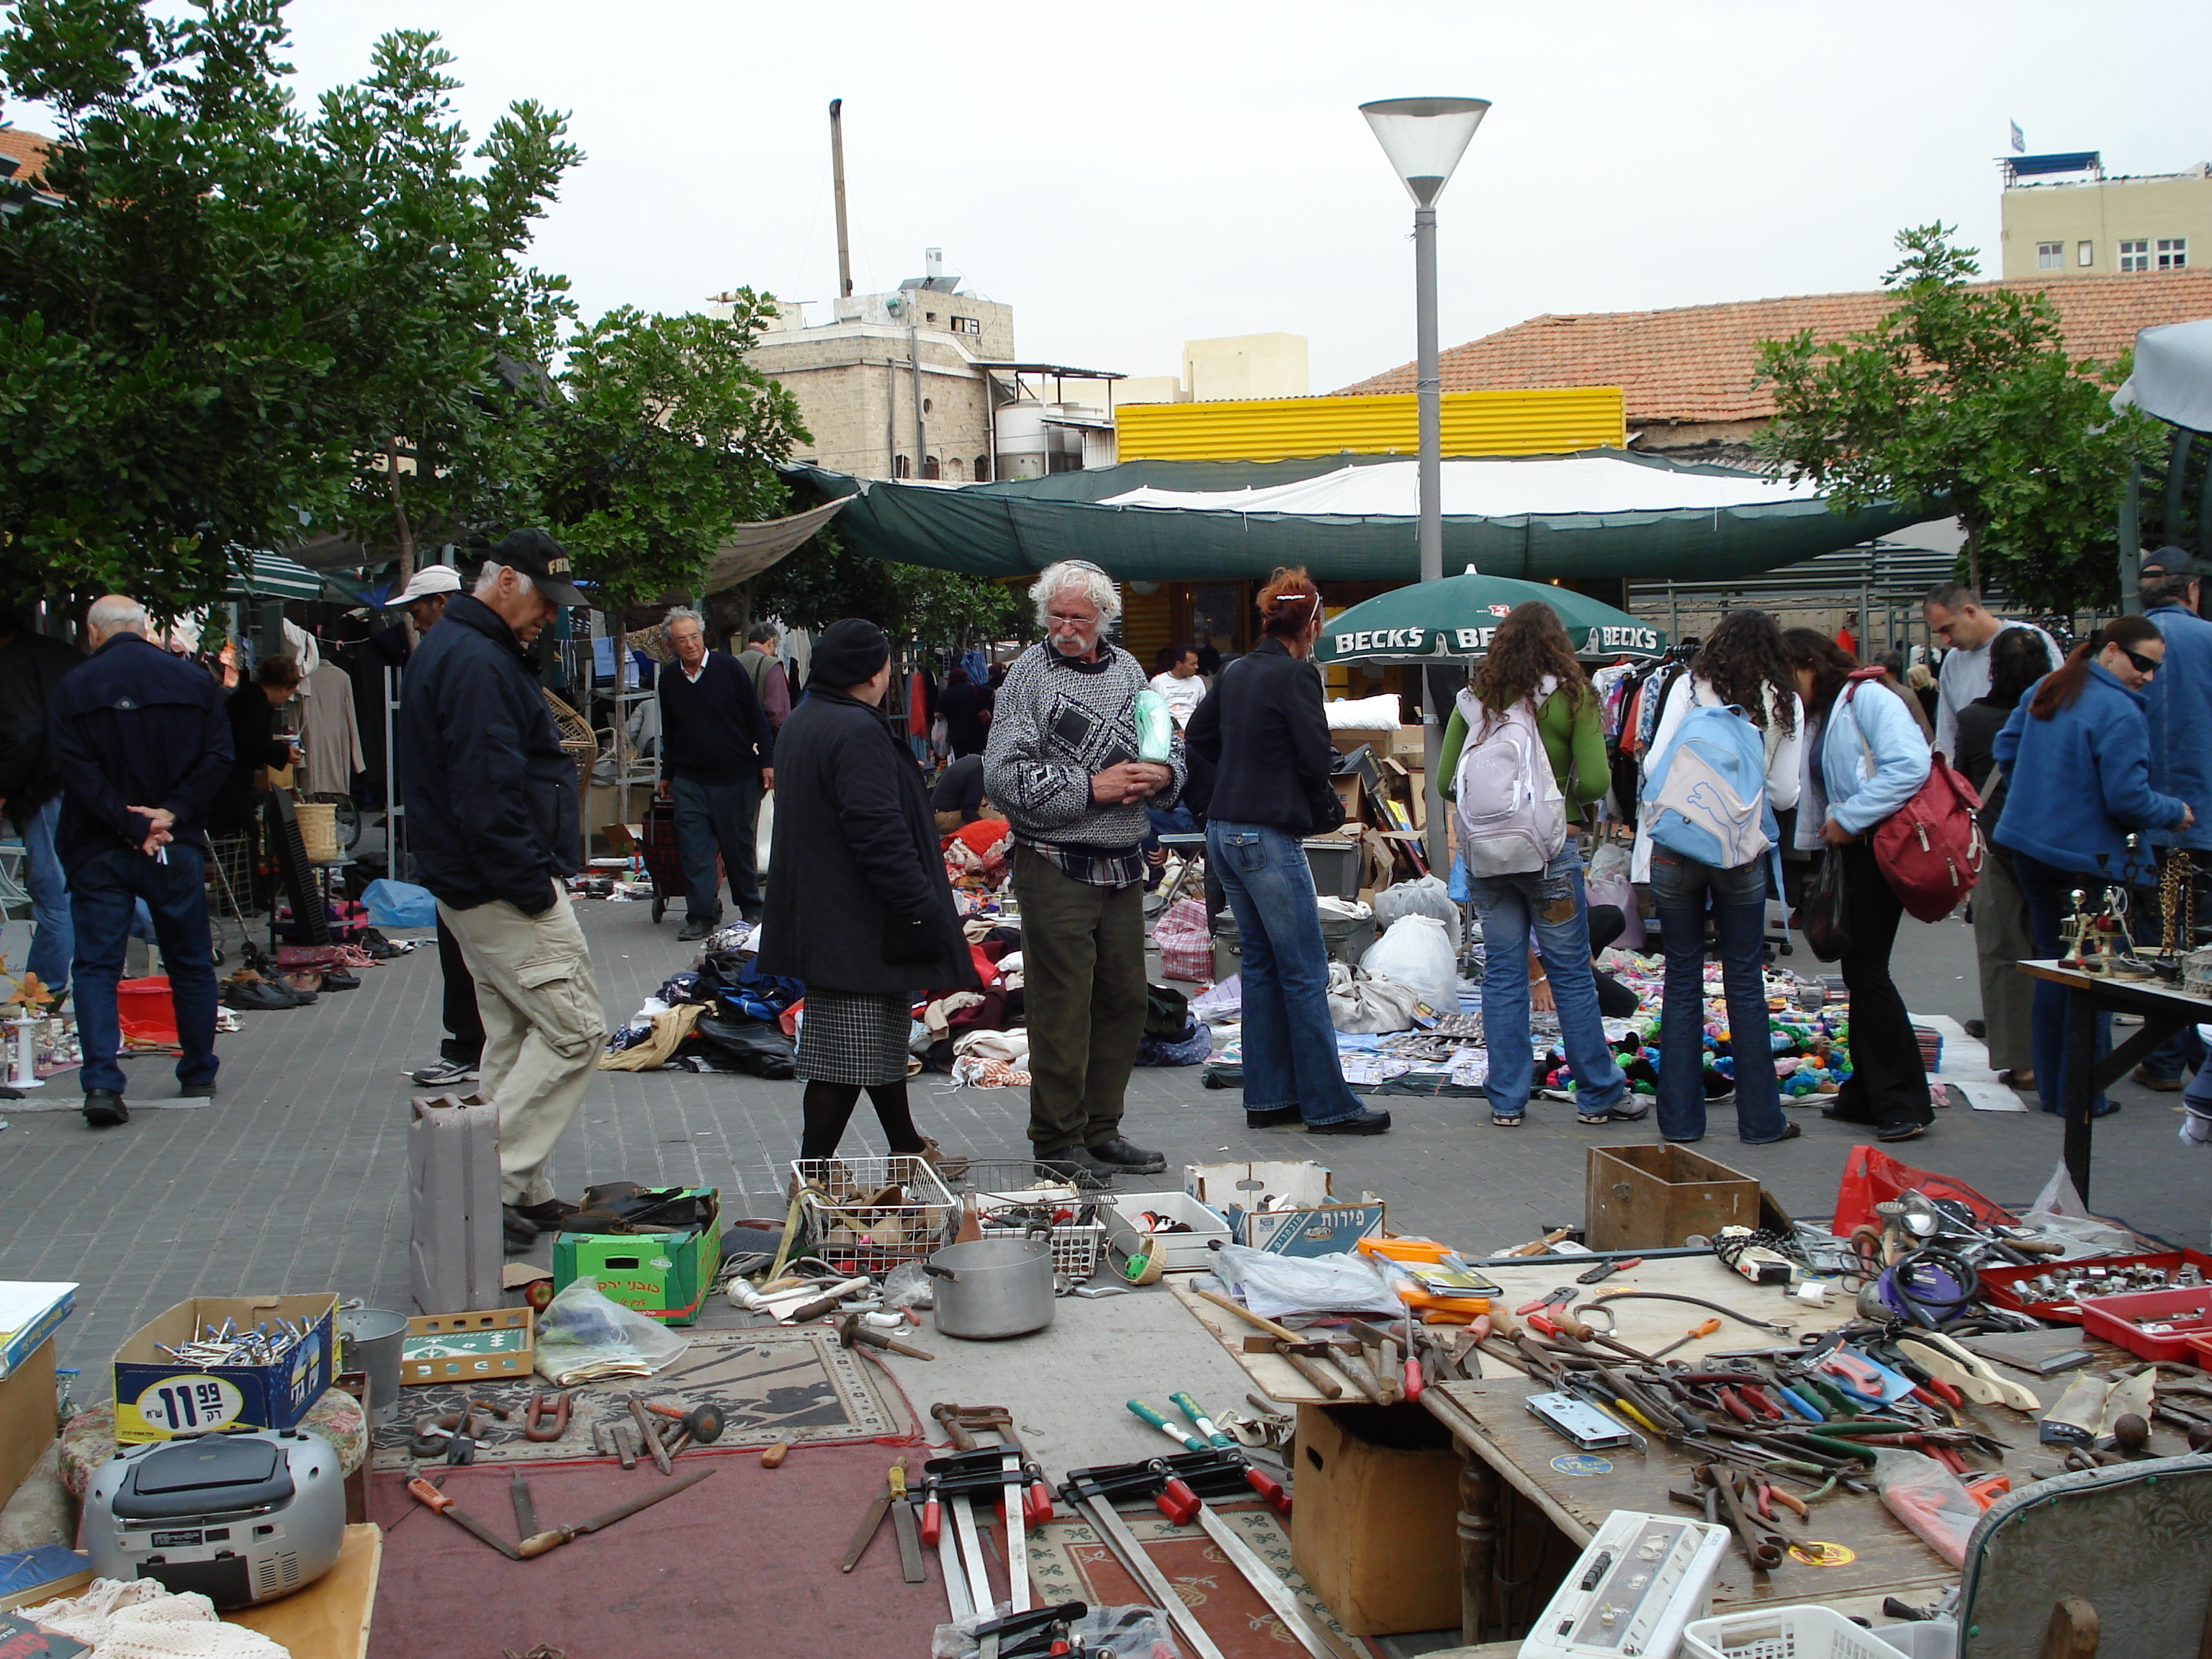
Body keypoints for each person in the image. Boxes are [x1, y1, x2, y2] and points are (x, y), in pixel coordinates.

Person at [396, 529, 603, 1248]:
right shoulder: (477, 661)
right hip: (500, 884)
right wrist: (534, 887)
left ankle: (522, 1184)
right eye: (544, 601)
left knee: (516, 1030)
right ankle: (483, 1182)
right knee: (576, 1030)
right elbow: (485, 794)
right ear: (506, 581)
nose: (549, 616)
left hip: (475, 881)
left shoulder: (461, 650)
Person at [984, 558, 1184, 1176]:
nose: (1065, 627)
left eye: (1078, 617)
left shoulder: (1127, 669)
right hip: (1054, 860)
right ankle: (1056, 1139)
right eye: (1056, 615)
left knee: (1124, 999)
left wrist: (1165, 773)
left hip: (1122, 862)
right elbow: (1002, 776)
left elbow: (1168, 740)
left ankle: (1102, 1129)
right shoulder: (1027, 676)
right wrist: (1091, 786)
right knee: (1061, 1002)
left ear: (1104, 618)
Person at [757, 619, 976, 1164]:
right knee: (844, 1057)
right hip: (855, 920)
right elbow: (877, 833)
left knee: (874, 1040)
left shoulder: (809, 719)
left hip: (829, 912)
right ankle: (813, 1174)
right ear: (874, 672)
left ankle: (905, 1146)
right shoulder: (854, 730)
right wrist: (921, 908)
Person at [1187, 568, 1390, 1136]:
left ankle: (1270, 1097)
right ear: (1313, 624)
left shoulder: (1235, 671)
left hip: (1224, 830)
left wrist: (1244, 760)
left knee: (1262, 967)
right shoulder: (1298, 676)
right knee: (1302, 970)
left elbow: (1199, 736)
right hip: (1265, 834)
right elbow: (1314, 754)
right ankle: (1330, 1104)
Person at [1439, 601, 1633, 1129]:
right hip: (1551, 851)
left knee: (1502, 975)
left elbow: (1442, 783)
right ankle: (1597, 1094)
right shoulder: (1573, 697)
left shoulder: (1475, 700)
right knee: (1570, 974)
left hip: (1487, 857)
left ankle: (1506, 1099)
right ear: (1557, 644)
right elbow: (1595, 782)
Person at [1991, 616, 2192, 1120]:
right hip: (2088, 859)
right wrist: (2174, 812)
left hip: (2033, 846)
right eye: (2141, 663)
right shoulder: (2118, 711)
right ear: (2111, 651)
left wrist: (2039, 796)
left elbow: (2006, 750)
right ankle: (2082, 1091)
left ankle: (2061, 1090)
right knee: (2092, 973)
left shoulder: (2051, 686)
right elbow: (2128, 799)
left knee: (2055, 964)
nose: (2147, 676)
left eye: (2154, 669)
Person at [48, 595, 230, 1128]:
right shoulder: (192, 682)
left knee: (98, 967)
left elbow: (76, 772)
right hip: (173, 843)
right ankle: (197, 1067)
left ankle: (103, 1082)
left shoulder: (74, 687)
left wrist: (128, 824)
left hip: (98, 845)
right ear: (145, 628)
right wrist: (168, 814)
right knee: (190, 959)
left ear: (93, 634)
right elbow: (219, 755)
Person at [1633, 608, 1805, 1146]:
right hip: (1741, 851)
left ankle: (1681, 1123)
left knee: (1682, 979)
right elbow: (1784, 795)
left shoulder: (1688, 687)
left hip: (1677, 847)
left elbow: (1654, 764)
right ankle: (1761, 1122)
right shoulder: (1784, 701)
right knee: (1745, 981)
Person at [1782, 628, 1936, 1141]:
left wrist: (1851, 817)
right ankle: (1870, 1093)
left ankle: (1902, 1101)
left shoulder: (1868, 697)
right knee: (1860, 971)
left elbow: (1910, 766)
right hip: (1855, 848)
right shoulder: (1831, 709)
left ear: (1808, 664)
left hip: (1878, 846)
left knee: (1868, 973)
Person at [379, 570, 487, 1089]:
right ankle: (476, 1042)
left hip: (462, 839)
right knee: (463, 946)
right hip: (457, 837)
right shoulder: (449, 656)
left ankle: (473, 1044)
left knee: (469, 947)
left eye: (419, 609)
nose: (414, 619)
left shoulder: (454, 658)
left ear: (441, 604)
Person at [1953, 627, 2051, 1094]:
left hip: (1994, 845)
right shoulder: (2059, 713)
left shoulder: (1973, 719)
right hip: (2055, 846)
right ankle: (2064, 1051)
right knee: (2058, 952)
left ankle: (2022, 1062)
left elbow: (1962, 783)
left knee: (2003, 954)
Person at [2128, 547, 2212, 1090]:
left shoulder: (2121, 646)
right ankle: (2191, 1061)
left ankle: (2165, 1058)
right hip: (2200, 821)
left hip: (2141, 821)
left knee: (2161, 942)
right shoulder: (2207, 640)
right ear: (2194, 590)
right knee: (2196, 941)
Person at [656, 606, 774, 942]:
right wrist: (668, 772)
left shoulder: (728, 668)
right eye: (682, 640)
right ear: (672, 645)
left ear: (702, 635)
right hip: (690, 781)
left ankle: (751, 909)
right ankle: (701, 916)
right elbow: (672, 729)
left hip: (735, 776)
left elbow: (756, 716)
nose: (690, 644)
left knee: (738, 848)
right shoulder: (669, 679)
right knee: (694, 852)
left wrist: (767, 760)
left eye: (694, 637)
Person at [0, 615, 84, 1000]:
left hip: (48, 783)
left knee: (51, 888)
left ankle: (41, 991)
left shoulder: (13, 662)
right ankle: (177, 938)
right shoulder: (61, 654)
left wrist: (4, 790)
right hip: (85, 777)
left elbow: (23, 733)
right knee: (89, 878)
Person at [1922, 583, 2064, 759]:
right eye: (1938, 633)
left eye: (1947, 629)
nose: (1945, 640)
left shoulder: (2030, 639)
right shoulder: (1953, 661)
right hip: (1978, 778)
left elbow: (2060, 708)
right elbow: (1948, 730)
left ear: (1970, 612)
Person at [212, 655, 304, 838]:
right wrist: (282, 752)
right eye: (289, 692)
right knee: (246, 831)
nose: (287, 698)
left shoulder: (251, 697)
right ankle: (238, 867)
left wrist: (276, 748)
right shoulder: (254, 701)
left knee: (242, 830)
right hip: (229, 775)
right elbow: (248, 739)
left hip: (229, 773)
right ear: (282, 688)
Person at [740, 621, 792, 732]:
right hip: (763, 739)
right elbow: (778, 713)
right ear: (771, 642)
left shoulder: (733, 662)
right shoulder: (771, 665)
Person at [1148, 644, 1207, 729]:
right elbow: (1151, 713)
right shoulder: (1158, 682)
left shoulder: (1198, 681)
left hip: (1193, 732)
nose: (1197, 667)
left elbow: (1203, 710)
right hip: (1167, 732)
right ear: (1179, 664)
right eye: (1192, 664)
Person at [938, 665, 988, 758]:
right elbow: (994, 693)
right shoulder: (974, 688)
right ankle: (977, 772)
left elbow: (938, 715)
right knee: (977, 759)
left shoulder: (946, 694)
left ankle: (964, 772)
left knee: (960, 760)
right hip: (976, 733)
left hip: (957, 735)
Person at [932, 752, 989, 833]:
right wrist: (987, 829)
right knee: (997, 818)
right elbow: (968, 813)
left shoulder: (974, 760)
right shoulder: (977, 775)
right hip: (943, 818)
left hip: (936, 813)